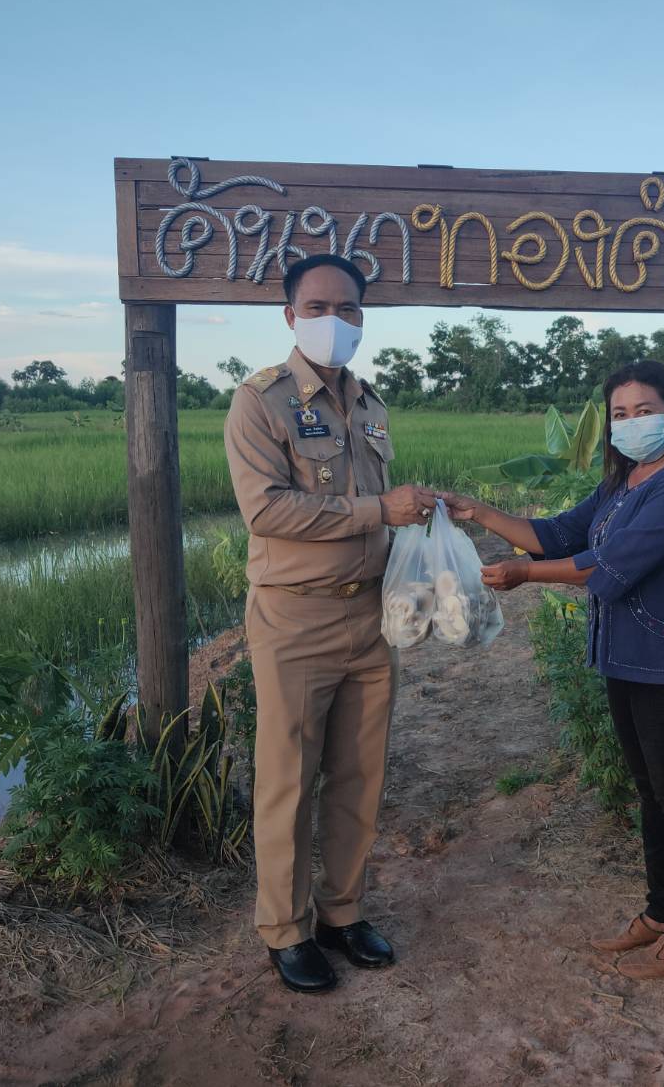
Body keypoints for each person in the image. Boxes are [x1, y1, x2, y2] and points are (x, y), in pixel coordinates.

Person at [442, 360, 664, 978]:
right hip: (625, 658)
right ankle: (661, 911)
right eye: (619, 414)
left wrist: (523, 573)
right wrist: (479, 511)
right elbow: (559, 533)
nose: (630, 423)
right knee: (651, 793)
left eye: (643, 411)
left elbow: (608, 563)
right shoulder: (621, 485)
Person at [224, 253, 437, 994]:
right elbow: (268, 509)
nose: (333, 321)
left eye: (346, 309)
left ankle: (342, 913)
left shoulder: (372, 405)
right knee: (287, 778)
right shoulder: (260, 401)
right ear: (290, 316)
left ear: (361, 319)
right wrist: (381, 509)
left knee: (359, 773)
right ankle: (284, 929)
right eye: (316, 308)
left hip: (370, 614)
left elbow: (379, 507)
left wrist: (413, 518)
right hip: (294, 620)